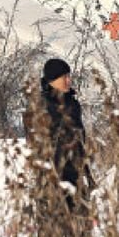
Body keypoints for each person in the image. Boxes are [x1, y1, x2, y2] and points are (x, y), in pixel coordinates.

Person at [34, 58, 93, 210]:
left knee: (82, 225)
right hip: (53, 179)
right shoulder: (40, 106)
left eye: (69, 76)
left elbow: (80, 139)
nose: (68, 80)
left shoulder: (73, 104)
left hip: (76, 175)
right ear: (52, 80)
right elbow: (37, 145)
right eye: (63, 77)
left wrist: (86, 172)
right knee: (56, 227)